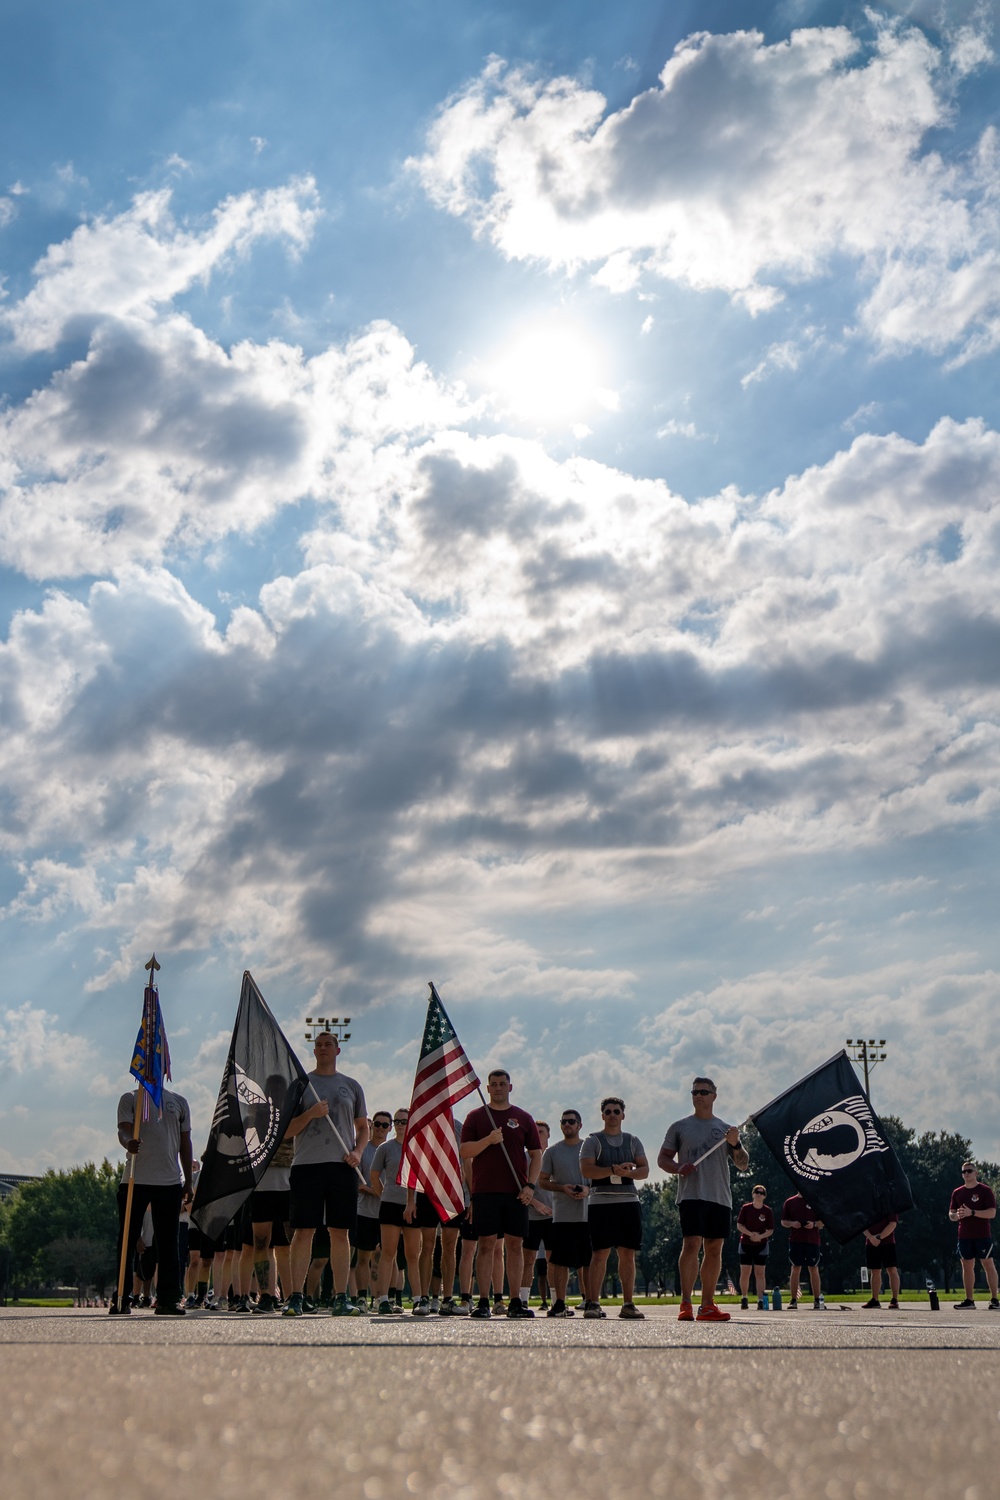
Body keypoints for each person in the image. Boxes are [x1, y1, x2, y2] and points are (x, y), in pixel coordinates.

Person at [282, 1029, 369, 1318]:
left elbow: (363, 1127)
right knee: (303, 1231)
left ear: (337, 1050)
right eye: (318, 1045)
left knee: (340, 1232)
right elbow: (287, 1131)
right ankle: (295, 1296)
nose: (322, 1048)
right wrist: (310, 1114)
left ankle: (341, 1297)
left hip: (342, 1165)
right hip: (307, 1165)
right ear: (314, 1050)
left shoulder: (351, 1086)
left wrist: (357, 1153)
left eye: (328, 1044)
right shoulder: (301, 1084)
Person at [658, 1077, 749, 1322]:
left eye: (704, 1092)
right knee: (691, 1244)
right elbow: (663, 1159)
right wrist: (677, 1167)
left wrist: (736, 1143)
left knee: (714, 1248)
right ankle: (686, 1302)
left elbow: (743, 1164)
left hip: (719, 1196)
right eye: (695, 1091)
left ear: (713, 1096)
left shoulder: (725, 1128)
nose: (699, 1095)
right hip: (691, 1195)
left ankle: (707, 1305)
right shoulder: (680, 1127)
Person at [460, 1069, 541, 1320]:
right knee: (485, 1246)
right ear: (487, 1089)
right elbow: (464, 1151)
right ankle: (483, 1301)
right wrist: (489, 1140)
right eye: (493, 1084)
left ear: (510, 1087)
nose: (498, 1088)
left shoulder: (523, 1117)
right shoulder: (475, 1117)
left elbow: (536, 1155)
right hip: (485, 1191)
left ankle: (515, 1301)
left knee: (514, 1246)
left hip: (516, 1192)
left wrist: (531, 1186)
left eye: (502, 1084)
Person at [112, 1081, 193, 1316]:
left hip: (168, 1180)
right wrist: (129, 1142)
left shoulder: (179, 1102)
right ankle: (122, 1297)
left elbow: (185, 1143)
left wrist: (188, 1180)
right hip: (135, 1179)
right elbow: (123, 1129)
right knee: (127, 1240)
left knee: (168, 1244)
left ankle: (168, 1299)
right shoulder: (130, 1098)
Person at [580, 1097, 648, 1319]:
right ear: (602, 1115)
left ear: (623, 1115)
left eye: (616, 1111)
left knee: (627, 1254)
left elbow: (644, 1170)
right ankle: (593, 1303)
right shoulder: (593, 1141)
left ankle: (628, 1304)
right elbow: (587, 1170)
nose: (612, 1115)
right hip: (601, 1202)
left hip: (628, 1202)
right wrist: (612, 1170)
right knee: (600, 1254)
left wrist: (627, 1173)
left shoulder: (632, 1141)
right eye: (607, 1111)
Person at [538, 1108, 593, 1318]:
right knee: (559, 1261)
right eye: (564, 1122)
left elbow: (600, 1179)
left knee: (588, 1261)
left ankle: (590, 1301)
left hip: (587, 1215)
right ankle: (559, 1303)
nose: (567, 1125)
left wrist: (588, 1190)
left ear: (580, 1125)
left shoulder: (590, 1150)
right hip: (562, 1216)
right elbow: (542, 1180)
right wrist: (562, 1188)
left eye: (571, 1122)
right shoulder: (552, 1152)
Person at [372, 1108, 426, 1315]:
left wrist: (411, 1202)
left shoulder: (418, 1149)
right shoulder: (385, 1148)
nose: (401, 1124)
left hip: (412, 1205)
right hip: (390, 1205)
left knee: (413, 1255)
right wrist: (384, 1195)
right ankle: (383, 1299)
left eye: (404, 1121)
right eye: (397, 1121)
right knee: (388, 1252)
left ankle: (418, 1300)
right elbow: (374, 1175)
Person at [352, 1111, 390, 1312]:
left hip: (385, 1212)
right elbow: (355, 1181)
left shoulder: (391, 1149)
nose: (380, 1128)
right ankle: (360, 1297)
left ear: (390, 1128)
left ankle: (381, 1297)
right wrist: (370, 1190)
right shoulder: (363, 1148)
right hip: (364, 1210)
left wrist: (382, 1193)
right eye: (377, 1124)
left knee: (384, 1256)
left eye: (385, 1125)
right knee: (364, 1257)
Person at [949, 1162, 1000, 1310]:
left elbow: (992, 1213)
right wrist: (955, 1216)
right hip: (964, 1235)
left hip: (982, 1235)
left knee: (988, 1264)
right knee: (967, 1265)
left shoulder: (985, 1191)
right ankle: (969, 1300)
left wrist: (972, 1212)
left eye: (969, 1171)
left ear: (976, 1173)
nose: (966, 1174)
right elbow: (951, 1213)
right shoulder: (957, 1192)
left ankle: (994, 1299)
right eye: (964, 1172)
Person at [522, 1121, 554, 1308]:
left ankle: (557, 1301)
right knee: (527, 1261)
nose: (537, 1135)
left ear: (548, 1135)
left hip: (552, 1217)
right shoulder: (523, 1158)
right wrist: (534, 1202)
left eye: (541, 1132)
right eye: (534, 1132)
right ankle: (524, 1300)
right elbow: (518, 1185)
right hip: (530, 1216)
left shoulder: (554, 1155)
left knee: (554, 1261)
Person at [781, 1191, 824, 1309]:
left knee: (813, 1268)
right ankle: (793, 1300)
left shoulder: (815, 1200)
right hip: (796, 1240)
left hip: (812, 1240)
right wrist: (792, 1223)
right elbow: (783, 1221)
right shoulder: (790, 1202)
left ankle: (817, 1300)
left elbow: (823, 1221)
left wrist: (814, 1224)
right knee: (795, 1268)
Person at [736, 1185, 773, 1310]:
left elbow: (771, 1230)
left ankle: (761, 1300)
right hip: (746, 1243)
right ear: (753, 1194)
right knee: (745, 1272)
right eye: (757, 1192)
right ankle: (744, 1297)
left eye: (762, 1193)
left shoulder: (767, 1211)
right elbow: (739, 1225)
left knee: (760, 1274)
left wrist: (760, 1237)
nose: (759, 1194)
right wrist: (751, 1234)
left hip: (761, 1245)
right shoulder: (746, 1208)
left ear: (764, 1196)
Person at [862, 1214, 900, 1310]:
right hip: (871, 1242)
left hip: (888, 1242)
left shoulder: (889, 1204)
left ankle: (894, 1300)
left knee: (891, 1269)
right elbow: (862, 1224)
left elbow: (892, 1224)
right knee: (875, 1271)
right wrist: (871, 1237)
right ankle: (875, 1299)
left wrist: (879, 1237)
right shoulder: (866, 1205)